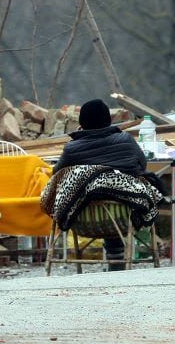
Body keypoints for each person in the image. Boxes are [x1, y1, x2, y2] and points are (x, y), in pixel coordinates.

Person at [53, 98, 161, 271]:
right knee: (115, 194)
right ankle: (117, 256)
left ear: (81, 123)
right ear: (108, 121)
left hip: (82, 220)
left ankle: (114, 256)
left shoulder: (71, 149)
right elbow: (142, 165)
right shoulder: (125, 140)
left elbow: (57, 175)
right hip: (125, 217)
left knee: (100, 192)